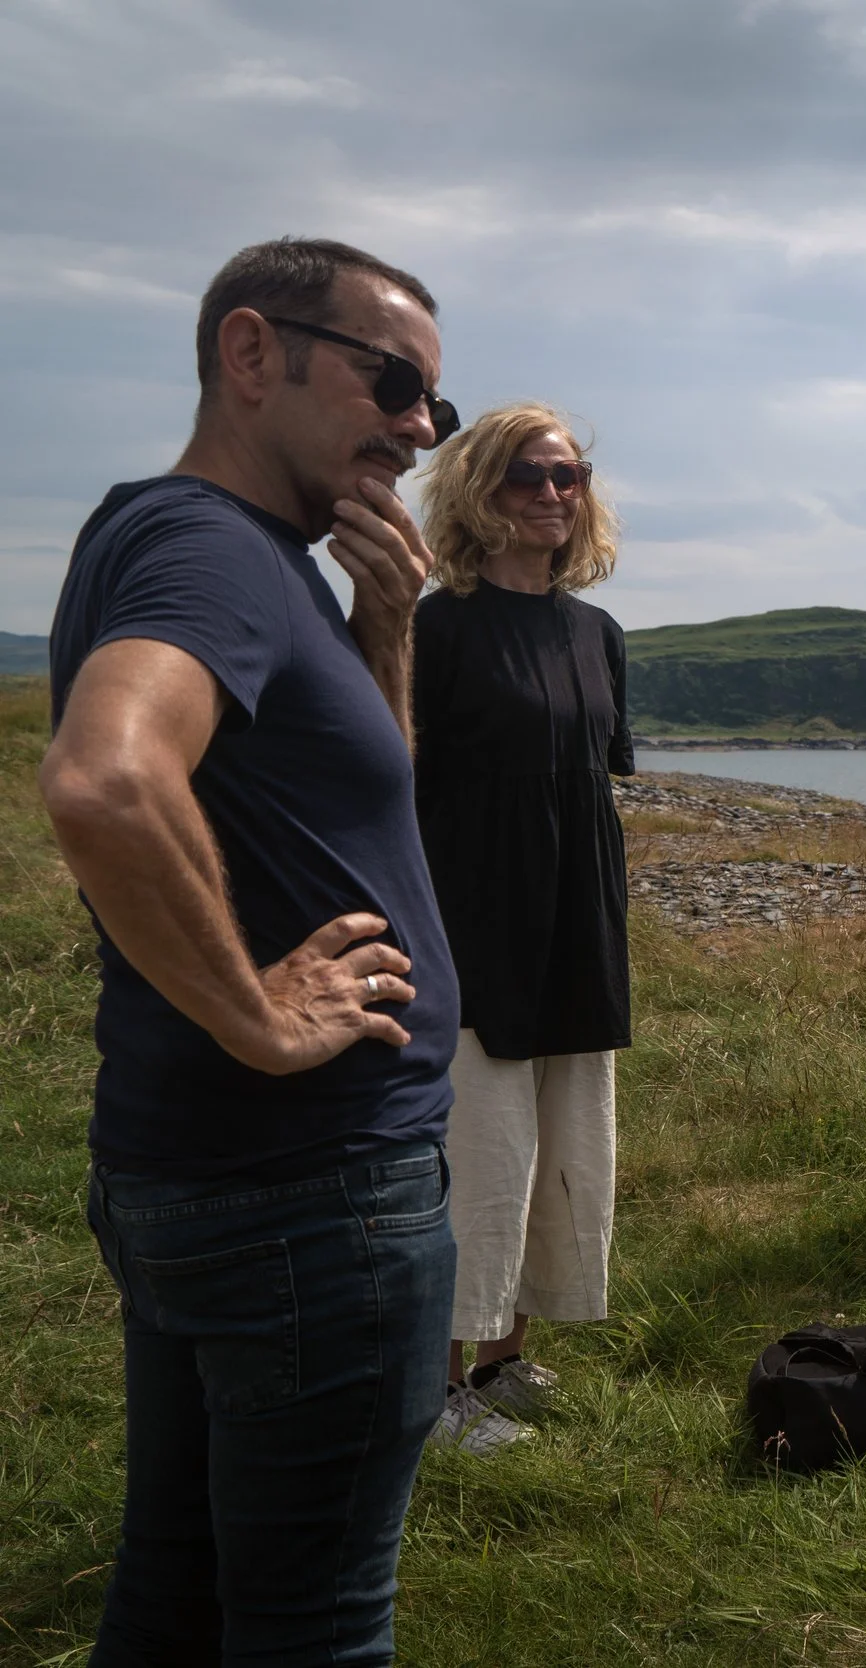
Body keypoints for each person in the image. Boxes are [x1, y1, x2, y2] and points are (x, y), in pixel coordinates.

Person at [41, 238, 460, 1661]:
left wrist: (385, 636)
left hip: (218, 1180)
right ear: (249, 352)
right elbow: (105, 778)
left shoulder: (252, 563)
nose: (416, 427)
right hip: (311, 1195)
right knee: (314, 1632)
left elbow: (358, 807)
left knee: (176, 1603)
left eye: (433, 407)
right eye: (392, 380)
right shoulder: (210, 547)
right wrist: (261, 1016)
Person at [412, 403, 632, 1454]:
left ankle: (504, 1362)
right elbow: (400, 789)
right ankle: (440, 1389)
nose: (552, 495)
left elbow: (591, 782)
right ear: (475, 493)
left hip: (575, 922)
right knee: (480, 1150)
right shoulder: (433, 629)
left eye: (568, 476)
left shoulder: (595, 634)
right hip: (470, 922)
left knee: (562, 1143)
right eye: (525, 478)